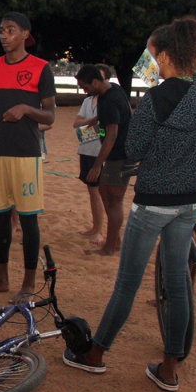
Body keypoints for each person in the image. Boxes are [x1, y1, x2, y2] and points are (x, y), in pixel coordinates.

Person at [64, 16, 196, 392]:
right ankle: (169, 368)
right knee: (178, 285)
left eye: (152, 54)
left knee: (127, 283)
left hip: (153, 204)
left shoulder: (154, 100)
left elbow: (134, 148)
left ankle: (96, 354)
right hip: (190, 202)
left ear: (164, 55)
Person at [0, 12, 56, 302]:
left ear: (24, 34)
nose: (4, 35)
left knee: (29, 221)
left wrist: (25, 109)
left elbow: (50, 115)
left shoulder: (41, 68)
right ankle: (0, 278)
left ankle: (29, 284)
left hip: (26, 156)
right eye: (1, 30)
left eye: (10, 30)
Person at [76, 64, 133, 256]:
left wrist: (97, 165)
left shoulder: (110, 99)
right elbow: (115, 117)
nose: (84, 91)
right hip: (117, 155)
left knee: (114, 199)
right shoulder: (113, 89)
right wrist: (94, 121)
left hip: (119, 155)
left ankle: (110, 247)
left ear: (95, 82)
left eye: (85, 87)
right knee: (104, 192)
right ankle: (114, 241)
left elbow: (112, 135)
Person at [73, 72, 104, 245]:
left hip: (99, 151)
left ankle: (99, 230)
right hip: (86, 149)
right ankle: (95, 227)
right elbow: (76, 123)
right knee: (92, 190)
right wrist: (92, 121)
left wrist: (88, 123)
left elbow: (105, 127)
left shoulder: (107, 101)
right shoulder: (87, 101)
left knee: (98, 191)